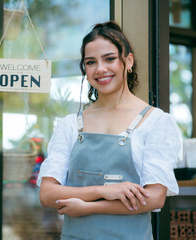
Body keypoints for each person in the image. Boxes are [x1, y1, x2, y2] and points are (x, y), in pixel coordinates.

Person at [37, 21, 180, 240]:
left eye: (110, 58)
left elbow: (154, 198)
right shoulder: (69, 125)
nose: (100, 69)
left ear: (128, 61)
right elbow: (47, 194)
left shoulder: (156, 122)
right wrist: (103, 191)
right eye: (91, 62)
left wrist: (88, 207)